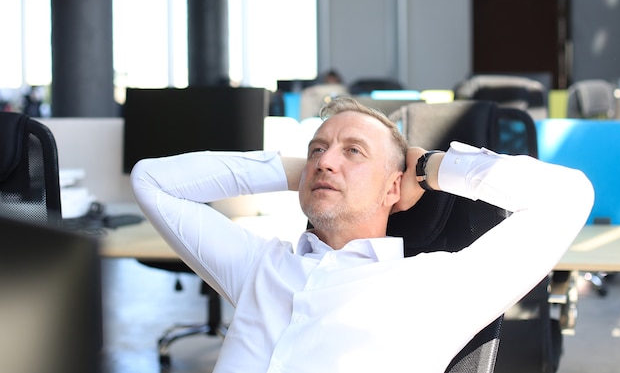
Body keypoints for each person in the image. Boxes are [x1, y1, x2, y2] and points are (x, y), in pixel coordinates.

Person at [131, 97, 594, 373]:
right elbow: (152, 180)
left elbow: (569, 195)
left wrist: (426, 166)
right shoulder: (260, 266)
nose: (326, 160)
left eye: (354, 151)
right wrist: (302, 171)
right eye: (318, 149)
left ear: (394, 187)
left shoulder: (437, 286)